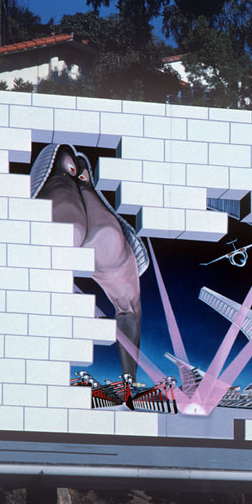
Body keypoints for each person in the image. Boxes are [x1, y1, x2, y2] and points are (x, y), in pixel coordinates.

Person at [30, 143, 148, 381]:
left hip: (65, 209)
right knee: (129, 309)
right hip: (107, 236)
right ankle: (130, 381)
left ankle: (66, 174)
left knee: (64, 198)